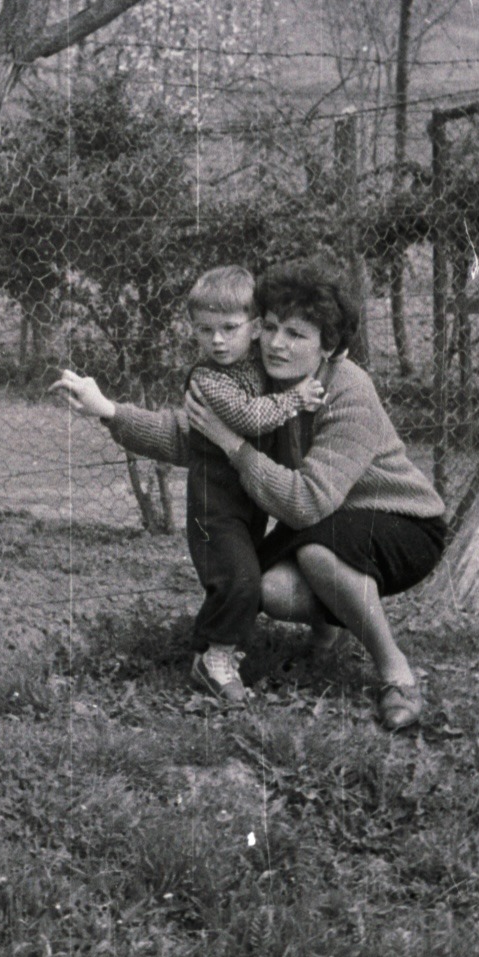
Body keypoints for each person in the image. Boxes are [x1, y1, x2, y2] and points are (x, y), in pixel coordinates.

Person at [53, 257, 447, 731]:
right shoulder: (256, 380)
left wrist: (234, 445)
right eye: (273, 327)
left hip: (399, 522)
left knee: (321, 554)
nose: (278, 344)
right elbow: (186, 436)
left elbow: (305, 502)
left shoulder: (348, 391)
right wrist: (109, 411)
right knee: (267, 588)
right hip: (326, 521)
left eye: (298, 335)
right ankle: (329, 633)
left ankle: (395, 672)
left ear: (330, 346)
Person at [174, 265, 325, 703]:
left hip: (250, 501)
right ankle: (215, 659)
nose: (217, 340)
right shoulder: (208, 380)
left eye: (229, 328)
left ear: (256, 328)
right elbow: (249, 417)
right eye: (205, 330)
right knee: (238, 577)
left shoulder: (260, 365)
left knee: (243, 574)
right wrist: (296, 398)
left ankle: (209, 645)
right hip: (213, 502)